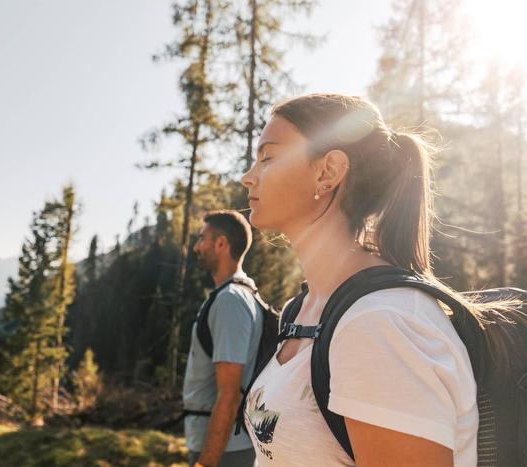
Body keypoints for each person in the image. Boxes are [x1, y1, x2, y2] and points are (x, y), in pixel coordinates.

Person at [240, 93, 479, 466]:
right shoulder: (301, 311)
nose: (247, 177)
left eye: (268, 157)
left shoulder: (380, 323)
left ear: (328, 171)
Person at [182, 210, 262, 467]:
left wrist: (206, 463)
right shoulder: (241, 294)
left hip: (224, 451)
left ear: (221, 243)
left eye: (202, 238)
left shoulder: (230, 301)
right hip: (224, 445)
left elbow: (228, 393)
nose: (196, 247)